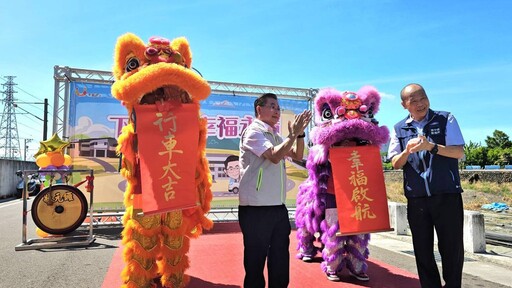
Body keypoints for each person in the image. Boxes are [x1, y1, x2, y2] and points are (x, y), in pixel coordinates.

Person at [387, 83, 465, 288]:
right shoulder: (399, 128)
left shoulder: (445, 118)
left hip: (447, 194)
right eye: (414, 101)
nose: (420, 103)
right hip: (417, 199)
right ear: (404, 105)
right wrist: (407, 152)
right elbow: (395, 163)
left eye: (423, 98)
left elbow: (458, 152)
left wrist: (430, 147)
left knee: (452, 248)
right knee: (422, 250)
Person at [238, 93, 312, 288]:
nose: (277, 112)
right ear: (259, 109)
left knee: (280, 257)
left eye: (278, 108)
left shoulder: (274, 134)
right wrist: (292, 134)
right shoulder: (253, 132)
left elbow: (296, 155)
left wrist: (300, 134)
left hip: (277, 207)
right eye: (272, 107)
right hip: (256, 209)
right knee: (255, 261)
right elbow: (274, 156)